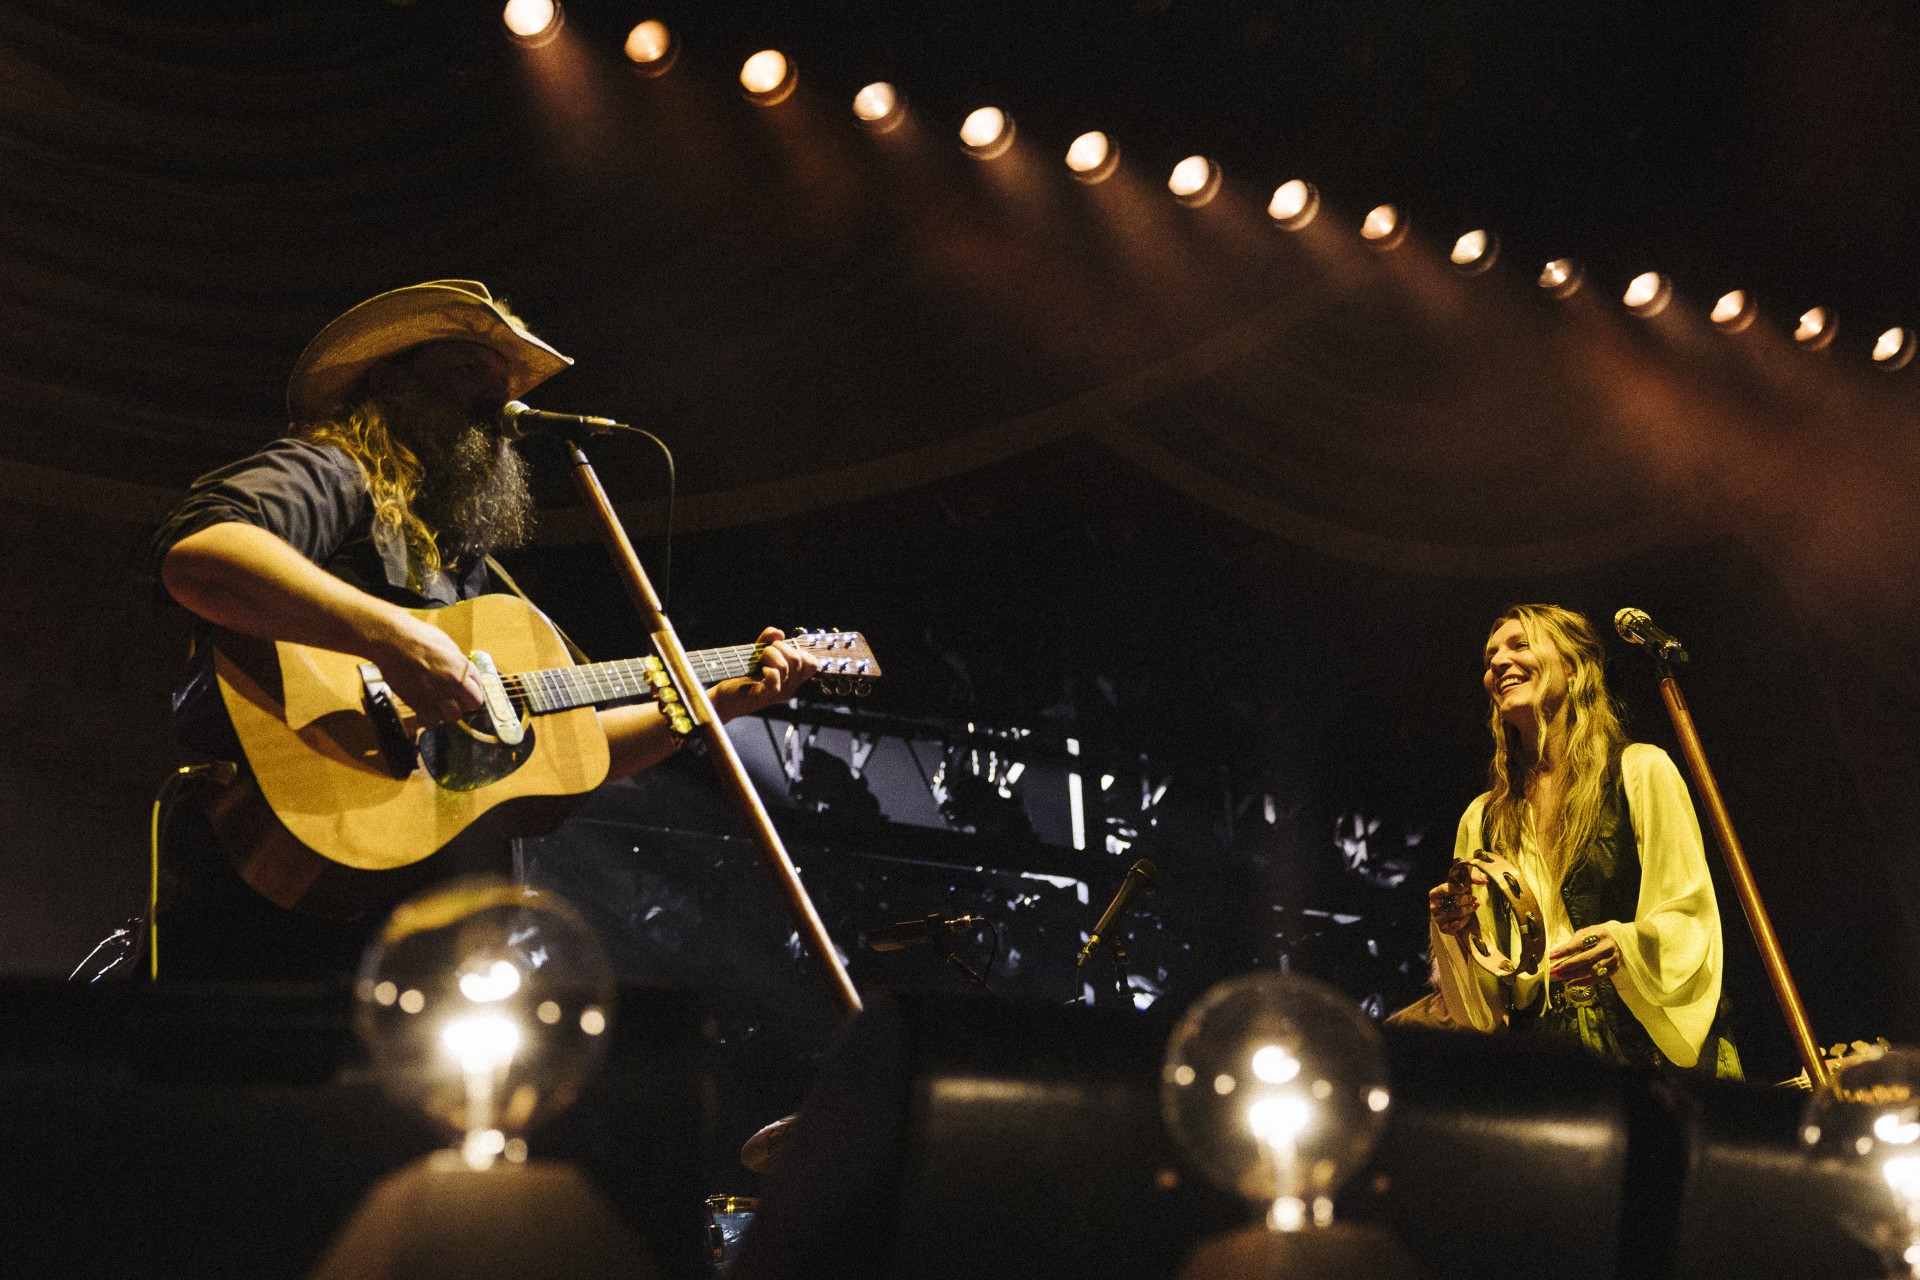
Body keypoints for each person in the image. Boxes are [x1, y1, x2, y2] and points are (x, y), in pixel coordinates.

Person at [152, 279, 817, 978]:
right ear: (391, 378)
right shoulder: (329, 468)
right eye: (471, 370)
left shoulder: (471, 570)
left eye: (505, 383)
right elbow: (201, 557)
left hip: (428, 922)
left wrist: (714, 706)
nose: (499, 402)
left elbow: (573, 754)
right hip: (270, 904)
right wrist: (393, 639)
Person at [1426, 604, 1740, 1076]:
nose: (1497, 662)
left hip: (1642, 1041)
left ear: (1571, 667)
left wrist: (1624, 944)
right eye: (1491, 655)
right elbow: (1487, 1000)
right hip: (1543, 1055)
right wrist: (1459, 931)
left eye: (1519, 644)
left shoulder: (1639, 772)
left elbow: (1690, 913)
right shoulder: (1482, 818)